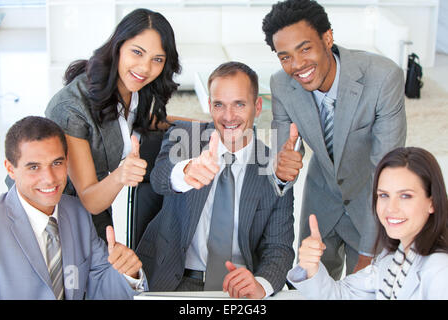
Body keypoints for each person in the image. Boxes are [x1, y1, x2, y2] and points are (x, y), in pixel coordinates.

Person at [262, 0, 407, 279]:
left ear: (327, 38)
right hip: (320, 202)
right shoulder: (281, 84)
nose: (297, 65)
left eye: (305, 48)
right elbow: (282, 158)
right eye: (285, 57)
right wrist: (282, 170)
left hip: (371, 207)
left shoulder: (383, 77)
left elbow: (386, 171)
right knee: (310, 289)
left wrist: (369, 252)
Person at [135, 62, 295, 299]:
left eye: (239, 104)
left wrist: (260, 284)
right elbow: (159, 179)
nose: (229, 117)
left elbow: (278, 247)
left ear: (257, 106)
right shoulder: (187, 136)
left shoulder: (275, 167)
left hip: (239, 289)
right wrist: (186, 172)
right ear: (210, 106)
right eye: (219, 105)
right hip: (174, 282)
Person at [44, 8, 191, 241]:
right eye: (137, 52)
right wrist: (123, 174)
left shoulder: (133, 87)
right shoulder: (71, 109)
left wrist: (210, 122)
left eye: (157, 59)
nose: (145, 68)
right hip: (58, 216)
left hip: (97, 204)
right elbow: (90, 200)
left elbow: (143, 121)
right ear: (118, 47)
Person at [0, 116, 148, 300]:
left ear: (67, 161)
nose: (50, 178)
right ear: (10, 169)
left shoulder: (77, 212)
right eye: (34, 167)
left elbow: (102, 285)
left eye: (56, 163)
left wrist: (129, 274)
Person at [287, 147, 448, 299]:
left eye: (405, 196)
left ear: (432, 202)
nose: (391, 208)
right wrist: (311, 266)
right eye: (384, 195)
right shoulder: (390, 260)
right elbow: (342, 295)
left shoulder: (440, 270)